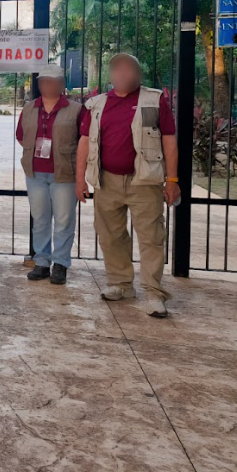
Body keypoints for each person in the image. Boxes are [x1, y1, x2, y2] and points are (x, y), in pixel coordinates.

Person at [76, 53, 180, 318]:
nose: (124, 76)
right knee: (110, 234)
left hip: (144, 180)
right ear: (111, 77)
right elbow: (84, 142)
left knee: (151, 237)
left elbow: (169, 140)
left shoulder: (154, 100)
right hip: (106, 180)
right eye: (119, 71)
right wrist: (80, 179)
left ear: (139, 74)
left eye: (130, 70)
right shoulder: (97, 105)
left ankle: (154, 293)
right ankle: (121, 284)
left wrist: (172, 179)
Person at [16, 65, 84, 285]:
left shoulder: (76, 109)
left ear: (62, 84)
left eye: (54, 81)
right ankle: (42, 262)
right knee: (40, 219)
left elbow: (85, 141)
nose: (49, 85)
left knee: (64, 220)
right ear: (39, 84)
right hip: (35, 172)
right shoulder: (29, 108)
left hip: (64, 172)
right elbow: (21, 135)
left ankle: (61, 264)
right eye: (45, 81)